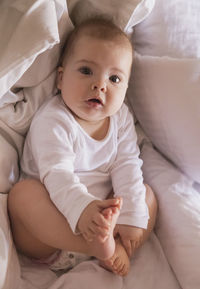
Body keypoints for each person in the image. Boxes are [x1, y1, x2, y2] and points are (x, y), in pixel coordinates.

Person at [8, 17, 157, 276]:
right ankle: (101, 248)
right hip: (54, 233)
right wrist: (84, 211)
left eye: (114, 78)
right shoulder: (54, 120)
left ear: (125, 90)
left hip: (107, 225)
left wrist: (131, 215)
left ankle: (118, 247)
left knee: (147, 196)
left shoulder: (121, 119)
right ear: (60, 79)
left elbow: (128, 164)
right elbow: (58, 175)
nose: (100, 85)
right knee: (22, 196)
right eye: (86, 71)